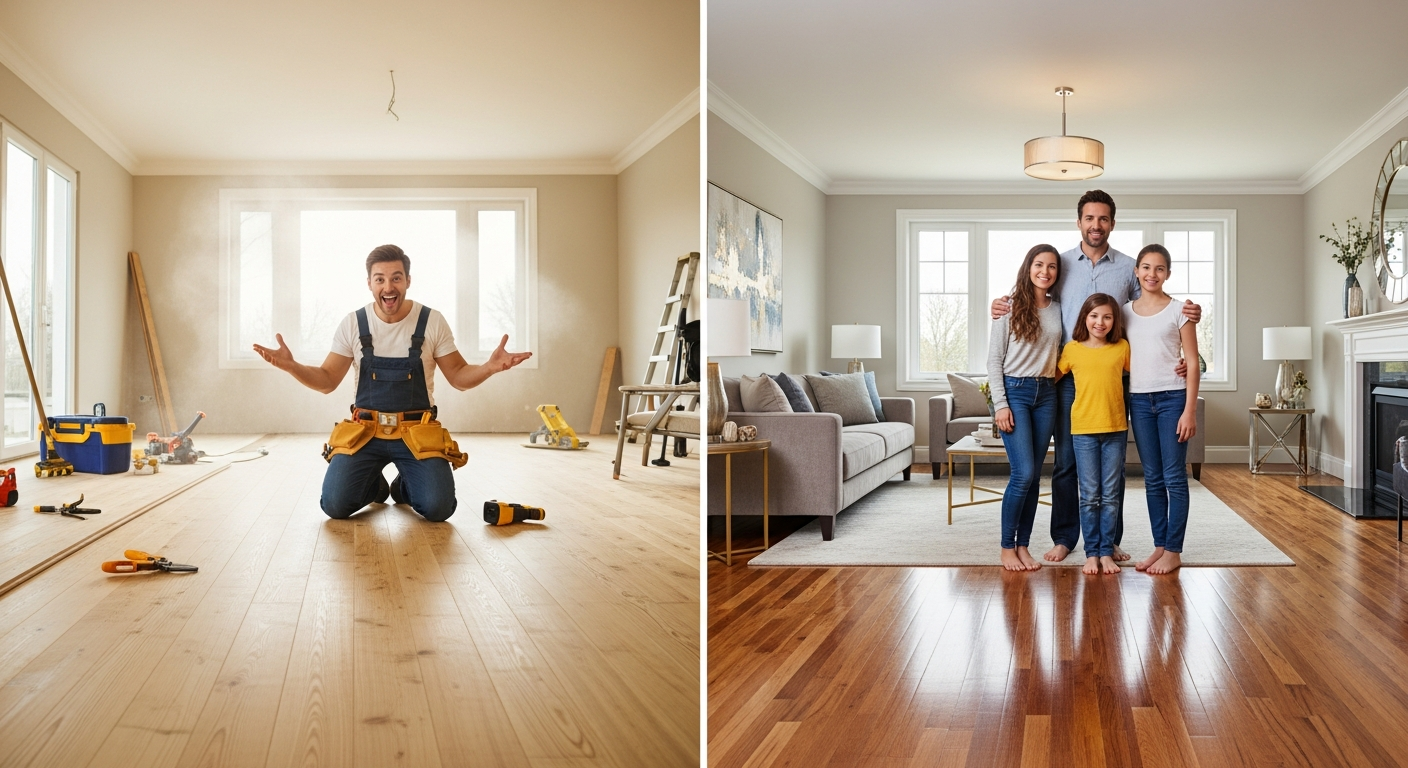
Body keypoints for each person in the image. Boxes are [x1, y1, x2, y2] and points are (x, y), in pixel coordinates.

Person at [991, 190, 1200, 562]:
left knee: (1112, 465)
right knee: (1066, 462)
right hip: (1066, 375)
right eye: (1089, 218)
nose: (1096, 225)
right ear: (1079, 222)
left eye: (1103, 218)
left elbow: (1148, 312)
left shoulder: (1130, 267)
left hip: (1113, 375)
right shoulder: (1059, 264)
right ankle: (1064, 537)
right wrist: (1003, 303)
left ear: (1112, 224)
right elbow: (1034, 292)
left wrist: (1190, 349)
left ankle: (1108, 540)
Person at [253, 244, 532, 522]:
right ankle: (372, 484)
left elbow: (459, 376)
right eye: (380, 279)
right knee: (334, 505)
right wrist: (292, 366)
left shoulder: (431, 321)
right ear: (369, 283)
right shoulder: (353, 323)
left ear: (408, 280)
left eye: (396, 278)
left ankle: (404, 486)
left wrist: (489, 367)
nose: (388, 287)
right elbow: (327, 380)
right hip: (365, 432)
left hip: (416, 433)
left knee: (439, 508)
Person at [1123, 244, 1199, 575]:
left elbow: (1192, 362)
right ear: (1136, 271)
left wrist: (1189, 411)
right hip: (1139, 401)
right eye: (1146, 267)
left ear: (1168, 273)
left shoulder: (1180, 310)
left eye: (1159, 268)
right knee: (1152, 478)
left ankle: (1174, 550)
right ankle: (1160, 545)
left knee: (1174, 477)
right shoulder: (1124, 312)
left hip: (1172, 399)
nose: (1151, 274)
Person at [988, 245, 1062, 572]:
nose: (1045, 271)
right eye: (1039, 264)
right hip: (1015, 392)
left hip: (1047, 394)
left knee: (1034, 478)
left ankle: (1023, 546)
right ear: (1028, 268)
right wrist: (1000, 405)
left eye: (1052, 266)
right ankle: (1007, 547)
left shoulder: (1059, 309)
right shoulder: (1008, 308)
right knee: (1023, 474)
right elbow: (994, 361)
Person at [1056, 293, 1130, 575]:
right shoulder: (1071, 349)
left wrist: (1181, 366)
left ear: (1115, 321)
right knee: (1089, 496)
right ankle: (1091, 553)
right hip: (1083, 431)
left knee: (1110, 495)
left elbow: (1145, 370)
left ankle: (1106, 551)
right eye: (1094, 316)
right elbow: (1050, 377)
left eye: (1107, 317)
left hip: (1115, 430)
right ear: (1084, 318)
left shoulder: (1122, 347)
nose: (1100, 322)